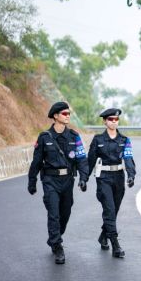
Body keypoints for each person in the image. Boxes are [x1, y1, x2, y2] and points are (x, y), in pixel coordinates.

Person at [27, 101, 90, 264]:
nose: (68, 116)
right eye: (64, 114)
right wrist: (32, 181)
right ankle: (57, 245)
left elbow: (82, 159)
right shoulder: (44, 137)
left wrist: (84, 178)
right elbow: (36, 161)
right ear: (55, 116)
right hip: (50, 181)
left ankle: (55, 236)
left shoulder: (75, 137)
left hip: (68, 180)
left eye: (69, 114)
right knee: (53, 213)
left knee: (65, 212)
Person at [87, 108, 137, 258]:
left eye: (116, 119)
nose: (113, 122)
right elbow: (90, 161)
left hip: (118, 178)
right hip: (103, 178)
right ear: (104, 121)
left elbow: (128, 158)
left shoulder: (124, 140)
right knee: (109, 210)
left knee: (113, 211)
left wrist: (131, 175)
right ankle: (115, 245)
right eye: (110, 119)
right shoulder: (98, 140)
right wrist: (84, 178)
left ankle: (103, 236)